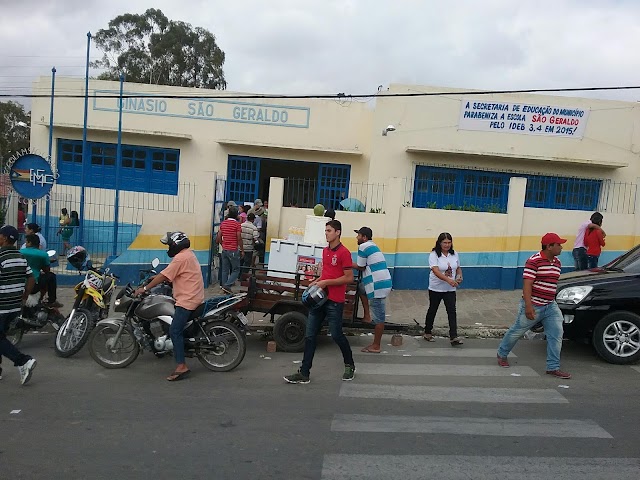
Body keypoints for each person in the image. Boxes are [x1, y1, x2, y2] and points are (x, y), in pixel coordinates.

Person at [284, 220, 356, 384]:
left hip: (334, 301)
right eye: (325, 231)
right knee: (310, 336)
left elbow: (349, 277)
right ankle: (304, 373)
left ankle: (349, 365)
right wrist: (317, 281)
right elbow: (327, 273)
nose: (326, 233)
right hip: (319, 299)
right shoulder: (325, 251)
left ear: (338, 232)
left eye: (329, 231)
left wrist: (325, 283)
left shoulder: (344, 252)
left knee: (337, 335)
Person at [497, 233, 571, 379]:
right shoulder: (534, 261)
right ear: (549, 247)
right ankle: (502, 353)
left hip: (550, 305)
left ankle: (553, 367)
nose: (561, 247)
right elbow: (527, 284)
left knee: (556, 335)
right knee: (517, 331)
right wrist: (529, 307)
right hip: (534, 304)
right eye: (558, 245)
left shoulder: (557, 263)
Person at [134, 232, 204, 381]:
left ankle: (181, 366)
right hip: (193, 297)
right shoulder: (188, 254)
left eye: (169, 245)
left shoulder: (180, 258)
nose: (168, 248)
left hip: (187, 301)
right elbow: (172, 274)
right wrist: (159, 278)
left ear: (175, 244)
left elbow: (165, 276)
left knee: (175, 330)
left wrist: (144, 289)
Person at [0, 225, 37, 385]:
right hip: (14, 305)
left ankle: (23, 361)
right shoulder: (20, 256)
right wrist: (25, 295)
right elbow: (31, 278)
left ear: (6, 238)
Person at [353, 227, 392, 353]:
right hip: (381, 282)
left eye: (358, 235)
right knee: (361, 288)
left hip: (377, 286)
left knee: (379, 316)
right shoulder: (372, 245)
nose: (356, 238)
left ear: (364, 237)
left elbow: (360, 266)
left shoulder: (363, 247)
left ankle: (376, 345)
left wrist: (345, 262)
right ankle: (367, 316)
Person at [423, 232, 464, 346]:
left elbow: (458, 268)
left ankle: (453, 336)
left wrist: (459, 277)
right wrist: (448, 280)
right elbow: (435, 271)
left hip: (450, 288)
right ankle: (427, 332)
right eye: (444, 243)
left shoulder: (454, 254)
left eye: (449, 242)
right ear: (439, 243)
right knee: (433, 309)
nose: (447, 245)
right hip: (436, 287)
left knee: (452, 311)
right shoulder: (434, 255)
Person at [20, 234, 61, 307]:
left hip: (21, 283)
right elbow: (46, 270)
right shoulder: (43, 254)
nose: (25, 244)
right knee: (51, 276)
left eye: (26, 242)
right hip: (34, 284)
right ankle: (51, 300)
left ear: (29, 243)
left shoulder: (20, 252)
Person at [216, 206, 243, 293]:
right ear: (236, 215)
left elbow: (219, 236)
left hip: (225, 249)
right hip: (233, 249)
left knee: (225, 269)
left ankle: (224, 287)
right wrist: (242, 249)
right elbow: (239, 238)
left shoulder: (223, 223)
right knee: (236, 269)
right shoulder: (237, 225)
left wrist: (222, 244)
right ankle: (227, 285)